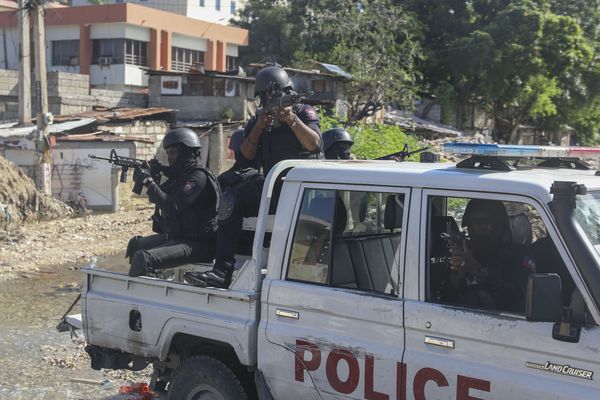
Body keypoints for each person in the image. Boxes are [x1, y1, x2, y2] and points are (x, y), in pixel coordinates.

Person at [189, 66, 323, 288]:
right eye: (267, 96)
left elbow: (314, 144)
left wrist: (290, 120)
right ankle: (222, 271)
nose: (271, 100)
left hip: (304, 189)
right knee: (231, 199)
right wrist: (259, 127)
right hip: (276, 187)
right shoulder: (259, 119)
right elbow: (244, 159)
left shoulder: (303, 112)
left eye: (276, 95)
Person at [126, 128, 220, 277]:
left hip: (200, 244)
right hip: (179, 237)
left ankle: (139, 295)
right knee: (135, 245)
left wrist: (149, 182)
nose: (169, 158)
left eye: (173, 152)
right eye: (168, 153)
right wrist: (153, 178)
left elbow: (172, 207)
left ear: (187, 152)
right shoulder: (180, 177)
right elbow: (160, 199)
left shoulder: (197, 177)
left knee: (144, 258)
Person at [444, 199, 536, 312]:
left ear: (500, 227)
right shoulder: (465, 251)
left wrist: (478, 271)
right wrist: (456, 270)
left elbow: (520, 300)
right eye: (476, 226)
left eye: (488, 226)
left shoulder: (517, 255)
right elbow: (444, 300)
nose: (481, 230)